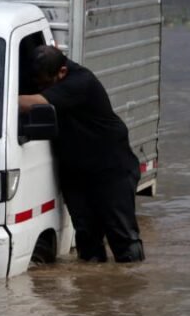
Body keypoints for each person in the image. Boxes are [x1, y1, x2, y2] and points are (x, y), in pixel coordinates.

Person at [18, 44, 145, 263]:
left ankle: (130, 289)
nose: (40, 87)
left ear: (62, 72)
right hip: (76, 169)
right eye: (37, 82)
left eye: (45, 84)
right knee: (86, 238)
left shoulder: (80, 82)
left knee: (123, 239)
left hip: (110, 168)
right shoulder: (43, 74)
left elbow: (38, 103)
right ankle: (92, 293)